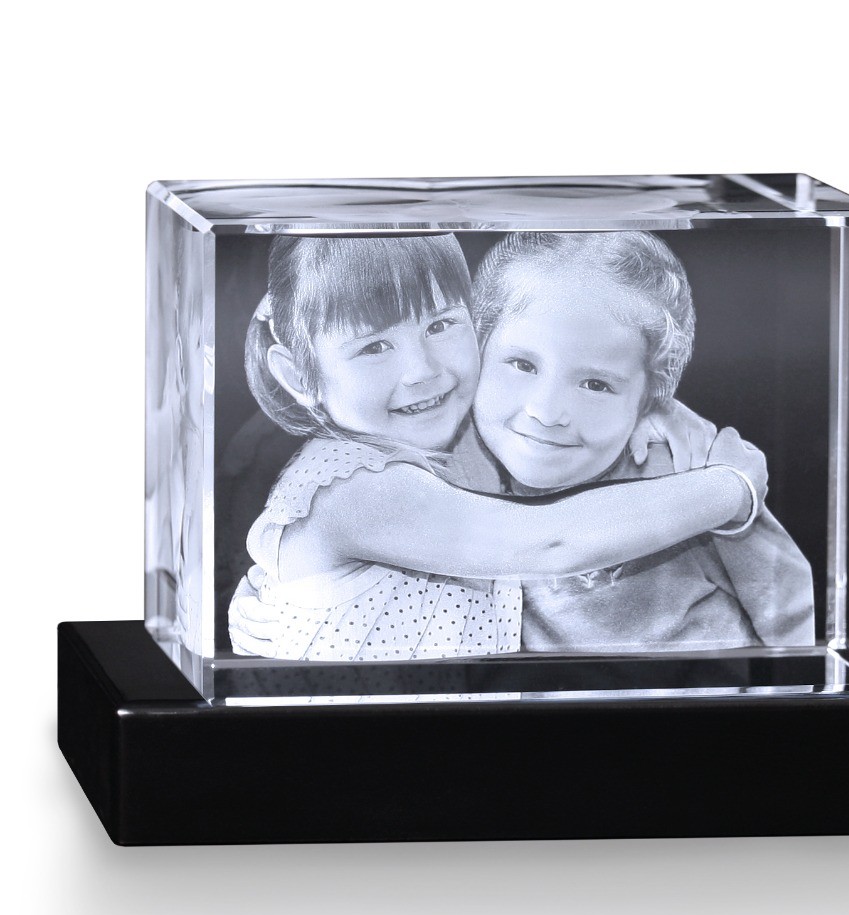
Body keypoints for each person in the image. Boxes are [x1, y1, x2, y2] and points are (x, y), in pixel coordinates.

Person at [230, 233, 765, 661]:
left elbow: (556, 357)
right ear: (298, 377)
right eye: (373, 346)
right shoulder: (356, 489)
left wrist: (653, 406)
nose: (423, 371)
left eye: (441, 324)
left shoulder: (451, 448)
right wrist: (733, 487)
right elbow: (551, 542)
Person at [468, 230, 815, 651]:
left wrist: (793, 686)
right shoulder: (465, 465)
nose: (546, 411)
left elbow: (789, 601)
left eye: (596, 384)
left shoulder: (681, 469)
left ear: (649, 401)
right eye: (523, 364)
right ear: (476, 347)